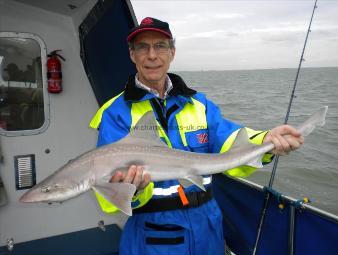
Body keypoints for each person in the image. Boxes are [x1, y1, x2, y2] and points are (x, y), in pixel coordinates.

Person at [89, 17, 304, 255]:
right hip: (153, 234)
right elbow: (109, 190)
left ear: (172, 52)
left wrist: (266, 141)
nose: (152, 55)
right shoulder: (115, 113)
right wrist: (134, 189)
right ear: (132, 55)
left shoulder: (198, 104)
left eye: (160, 46)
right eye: (142, 47)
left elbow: (229, 139)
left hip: (208, 228)